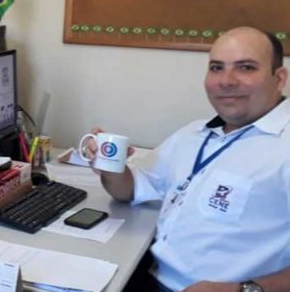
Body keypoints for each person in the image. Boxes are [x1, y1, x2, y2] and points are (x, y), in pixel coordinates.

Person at [85, 27, 290, 291]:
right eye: (216, 67)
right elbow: (131, 189)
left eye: (246, 67)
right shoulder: (194, 133)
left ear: (279, 78)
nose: (226, 80)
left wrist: (246, 290)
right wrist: (111, 167)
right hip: (146, 273)